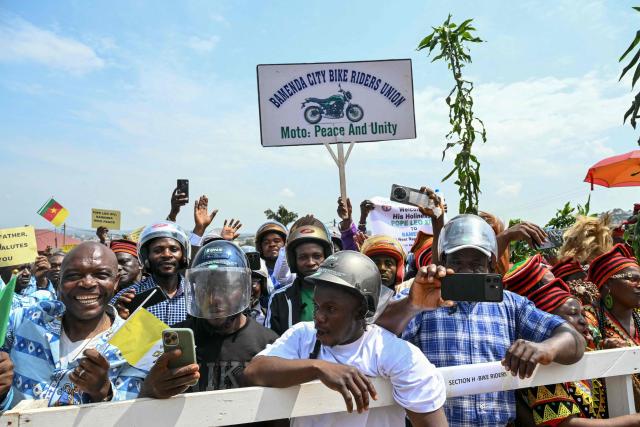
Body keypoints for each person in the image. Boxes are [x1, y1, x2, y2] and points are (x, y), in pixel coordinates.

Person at [376, 214, 585, 426]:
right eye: (457, 263)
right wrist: (412, 304)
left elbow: (575, 341)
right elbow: (372, 335)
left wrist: (546, 349)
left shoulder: (511, 305)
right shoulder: (420, 298)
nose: (466, 272)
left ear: (490, 265)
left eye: (476, 265)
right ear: (444, 261)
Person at [244, 251, 448, 427]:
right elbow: (254, 371)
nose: (318, 317)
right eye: (316, 306)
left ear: (362, 310)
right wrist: (318, 368)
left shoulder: (393, 352)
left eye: (331, 309)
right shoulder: (302, 335)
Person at [140, 240, 282, 426]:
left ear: (243, 289)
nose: (214, 299)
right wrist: (150, 390)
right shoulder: (174, 338)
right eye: (205, 288)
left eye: (226, 287)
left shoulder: (268, 342)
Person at [0, 242, 146, 409]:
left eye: (101, 275)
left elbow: (132, 414)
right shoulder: (28, 318)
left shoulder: (134, 343)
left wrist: (103, 392)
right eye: (74, 275)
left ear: (116, 281)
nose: (88, 283)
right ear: (59, 280)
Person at [509, 270, 640, 425]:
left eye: (582, 314)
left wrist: (617, 361)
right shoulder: (541, 366)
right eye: (573, 314)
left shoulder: (592, 352)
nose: (584, 321)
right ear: (548, 323)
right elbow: (567, 424)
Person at [582, 243, 640, 411]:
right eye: (632, 278)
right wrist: (604, 350)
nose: (639, 284)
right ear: (607, 285)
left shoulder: (638, 316)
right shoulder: (588, 319)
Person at [265, 215, 333, 336]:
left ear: (327, 257)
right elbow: (271, 344)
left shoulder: (343, 295)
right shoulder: (279, 298)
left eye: (317, 256)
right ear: (293, 260)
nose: (311, 263)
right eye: (303, 257)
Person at [112, 221, 191, 324]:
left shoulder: (197, 295)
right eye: (158, 251)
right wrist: (117, 320)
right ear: (146, 257)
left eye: (174, 249)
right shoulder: (125, 299)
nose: (167, 255)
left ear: (184, 254)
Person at [242, 245, 269, 324]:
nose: (247, 289)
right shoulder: (226, 322)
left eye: (253, 282)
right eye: (241, 283)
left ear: (263, 286)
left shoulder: (272, 315)